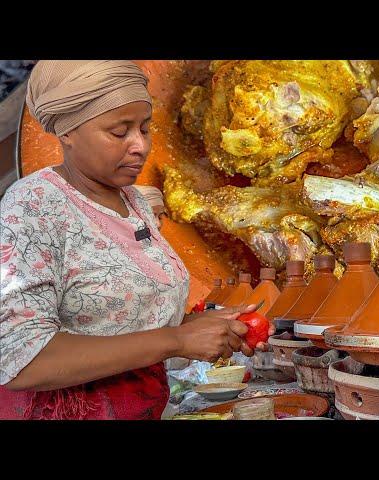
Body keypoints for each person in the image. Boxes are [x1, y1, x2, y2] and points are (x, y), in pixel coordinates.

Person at [0, 60, 274, 420]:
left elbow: (121, 326)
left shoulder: (134, 202)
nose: (140, 146)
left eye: (145, 129)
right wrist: (174, 340)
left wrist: (203, 329)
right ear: (68, 131)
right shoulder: (32, 206)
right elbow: (21, 360)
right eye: (119, 132)